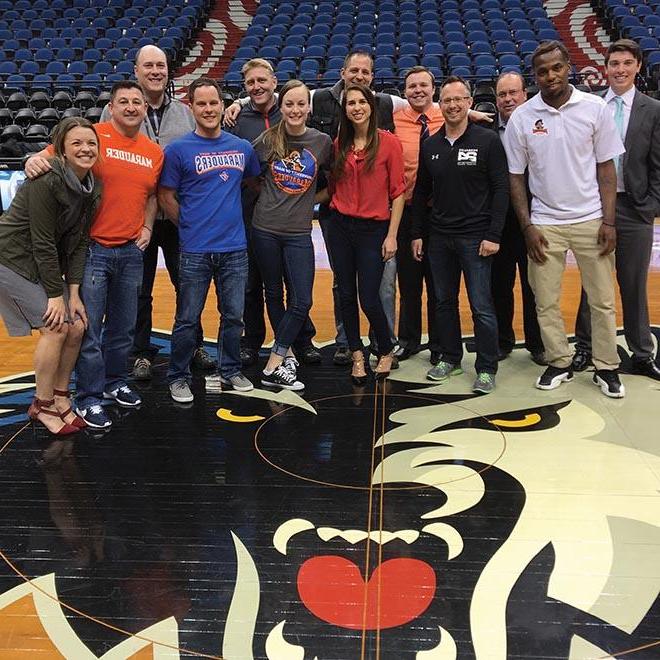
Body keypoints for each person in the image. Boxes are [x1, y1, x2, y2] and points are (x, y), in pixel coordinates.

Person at [26, 81, 164, 428]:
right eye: (124, 102)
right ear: (112, 107)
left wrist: (147, 228)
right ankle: (88, 397)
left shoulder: (153, 151)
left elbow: (150, 195)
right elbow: (47, 155)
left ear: (145, 108)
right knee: (87, 330)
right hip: (92, 250)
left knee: (123, 328)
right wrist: (32, 160)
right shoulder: (93, 136)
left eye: (137, 102)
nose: (131, 107)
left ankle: (116, 382)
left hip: (131, 251)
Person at [503, 40, 626, 398]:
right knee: (545, 299)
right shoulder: (523, 117)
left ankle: (606, 366)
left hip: (592, 219)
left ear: (568, 66)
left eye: (556, 68)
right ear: (535, 76)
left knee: (602, 300)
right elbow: (515, 176)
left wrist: (609, 221)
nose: (550, 76)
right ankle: (559, 360)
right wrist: (527, 226)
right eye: (542, 71)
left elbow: (607, 168)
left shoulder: (595, 108)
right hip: (544, 222)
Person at [99, 45, 214, 381]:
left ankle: (194, 345)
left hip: (180, 215)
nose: (155, 71)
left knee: (188, 284)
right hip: (137, 218)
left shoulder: (186, 112)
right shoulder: (116, 113)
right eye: (148, 65)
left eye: (160, 66)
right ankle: (139, 352)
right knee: (138, 288)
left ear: (168, 72)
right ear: (136, 71)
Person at [158, 77, 260, 403]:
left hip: (234, 248)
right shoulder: (178, 150)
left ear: (221, 104)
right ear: (192, 107)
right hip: (194, 249)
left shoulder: (242, 147)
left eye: (213, 103)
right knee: (187, 319)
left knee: (234, 316)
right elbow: (166, 195)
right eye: (201, 104)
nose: (208, 109)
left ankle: (230, 369)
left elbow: (254, 183)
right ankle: (178, 376)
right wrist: (186, 224)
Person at [0, 118, 101, 435]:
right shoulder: (45, 180)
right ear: (62, 151)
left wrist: (73, 294)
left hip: (39, 263)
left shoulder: (93, 186)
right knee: (56, 327)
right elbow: (42, 240)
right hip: (11, 259)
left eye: (91, 143)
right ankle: (41, 405)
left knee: (78, 326)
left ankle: (60, 396)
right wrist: (56, 298)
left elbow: (80, 242)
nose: (85, 149)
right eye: (77, 144)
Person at [411, 76, 509, 394]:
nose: (453, 105)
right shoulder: (431, 145)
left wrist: (494, 233)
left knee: (481, 305)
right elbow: (422, 191)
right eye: (447, 100)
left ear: (469, 102)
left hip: (476, 237)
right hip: (440, 238)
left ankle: (486, 367)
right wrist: (417, 234)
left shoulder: (487, 140)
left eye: (459, 99)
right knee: (443, 302)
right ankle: (450, 358)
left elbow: (501, 189)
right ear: (441, 104)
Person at [572, 39, 660, 381]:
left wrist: (650, 206)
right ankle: (584, 346)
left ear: (638, 66)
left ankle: (641, 352)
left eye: (626, 63)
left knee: (633, 283)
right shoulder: (592, 106)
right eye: (614, 64)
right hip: (595, 206)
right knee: (592, 282)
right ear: (604, 69)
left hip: (635, 208)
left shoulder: (652, 109)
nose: (620, 69)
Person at [226, 59, 321, 367]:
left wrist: (298, 196)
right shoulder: (238, 119)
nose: (257, 87)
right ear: (245, 87)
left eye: (262, 81)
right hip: (254, 217)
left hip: (293, 221)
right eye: (250, 83)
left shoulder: (291, 112)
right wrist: (265, 192)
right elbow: (245, 169)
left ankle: (300, 340)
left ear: (274, 82)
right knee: (256, 285)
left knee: (297, 288)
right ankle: (252, 342)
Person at [251, 80, 332, 390]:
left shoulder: (322, 142)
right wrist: (272, 197)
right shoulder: (267, 140)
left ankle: (274, 360)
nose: (295, 109)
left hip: (298, 232)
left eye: (301, 104)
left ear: (308, 107)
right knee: (273, 293)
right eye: (289, 104)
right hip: (265, 229)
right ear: (280, 107)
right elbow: (251, 177)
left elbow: (334, 182)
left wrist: (309, 199)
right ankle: (286, 356)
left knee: (302, 300)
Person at [323, 83, 406, 382]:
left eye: (361, 102)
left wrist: (392, 235)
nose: (356, 107)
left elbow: (398, 192)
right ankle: (357, 353)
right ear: (344, 109)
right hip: (340, 227)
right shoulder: (339, 143)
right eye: (350, 103)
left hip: (374, 229)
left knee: (369, 297)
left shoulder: (389, 143)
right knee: (345, 294)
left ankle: (385, 348)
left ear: (371, 106)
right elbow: (333, 186)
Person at [492, 72, 545, 365]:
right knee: (499, 285)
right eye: (502, 94)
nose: (508, 99)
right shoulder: (486, 129)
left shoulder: (538, 125)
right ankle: (503, 341)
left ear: (525, 94)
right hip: (498, 221)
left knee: (534, 284)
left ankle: (537, 343)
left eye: (513, 93)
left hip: (534, 217)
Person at [393, 66, 443, 365]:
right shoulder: (395, 120)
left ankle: (439, 343)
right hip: (408, 210)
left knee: (439, 283)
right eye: (412, 86)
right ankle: (408, 339)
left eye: (423, 85)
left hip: (440, 212)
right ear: (404, 92)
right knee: (408, 283)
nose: (418, 90)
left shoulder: (447, 116)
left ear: (433, 89)